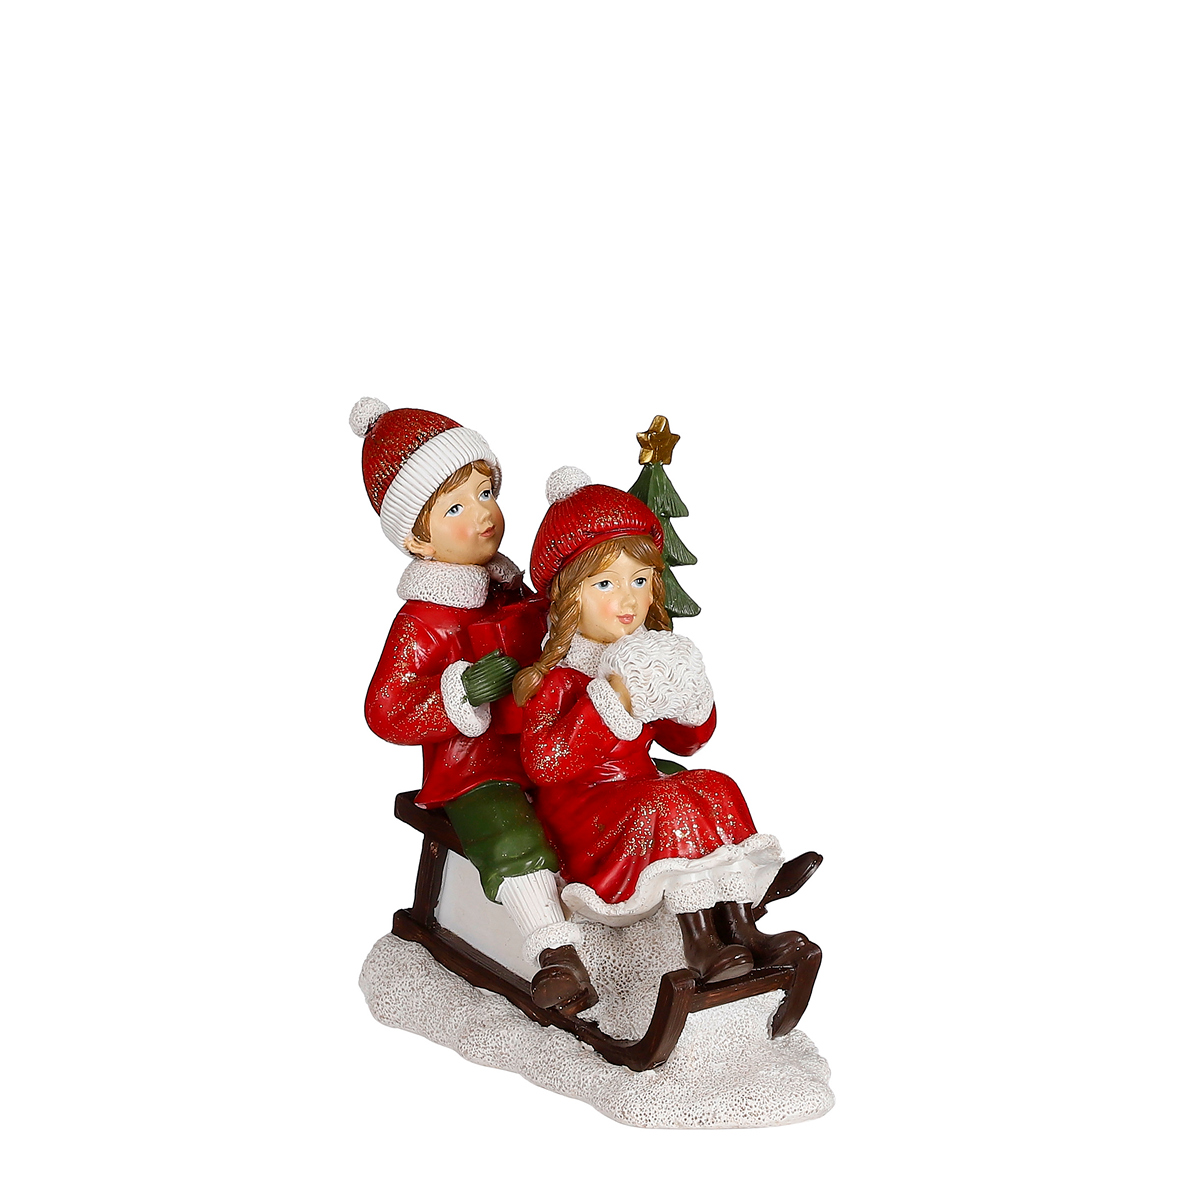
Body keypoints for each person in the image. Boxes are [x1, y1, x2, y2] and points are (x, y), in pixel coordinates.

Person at [514, 467, 812, 984]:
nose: (628, 600)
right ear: (570, 596)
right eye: (605, 583)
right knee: (666, 803)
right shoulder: (557, 678)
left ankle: (742, 923)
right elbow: (546, 764)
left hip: (636, 790)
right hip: (583, 812)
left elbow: (685, 743)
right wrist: (613, 700)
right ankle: (699, 942)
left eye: (640, 580)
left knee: (715, 785)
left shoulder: (644, 655)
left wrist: (688, 697)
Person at [350, 400, 594, 1012]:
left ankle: (702, 906)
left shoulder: (513, 591)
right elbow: (386, 709)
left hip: (544, 737)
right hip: (475, 768)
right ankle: (555, 954)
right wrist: (459, 692)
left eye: (485, 493)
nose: (484, 514)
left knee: (625, 776)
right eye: (456, 508)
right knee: (508, 830)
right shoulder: (421, 622)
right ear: (417, 539)